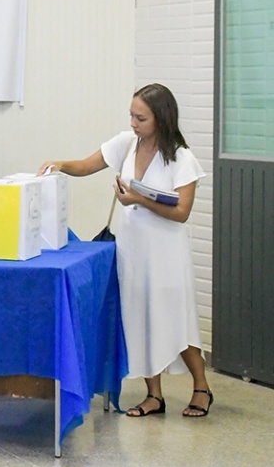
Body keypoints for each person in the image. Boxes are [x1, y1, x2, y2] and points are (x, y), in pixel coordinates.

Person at [39, 83, 211, 418]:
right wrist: (60, 164)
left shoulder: (182, 158)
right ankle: (154, 395)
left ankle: (201, 387)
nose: (133, 123)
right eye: (131, 116)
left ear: (161, 118)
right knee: (140, 318)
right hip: (134, 249)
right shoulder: (126, 143)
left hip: (167, 252)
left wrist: (138, 199)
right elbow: (87, 165)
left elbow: (182, 212)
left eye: (141, 118)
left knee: (176, 319)